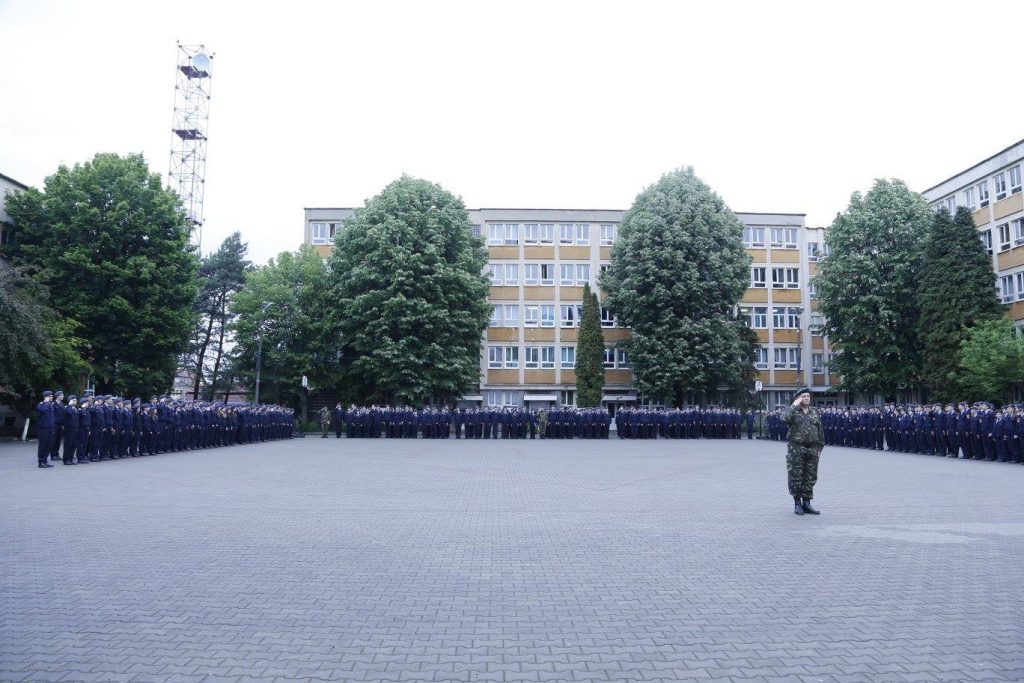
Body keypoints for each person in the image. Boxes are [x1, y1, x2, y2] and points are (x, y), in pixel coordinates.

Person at [782, 387, 824, 516]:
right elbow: (784, 418)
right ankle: (797, 503)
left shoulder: (814, 411)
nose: (806, 398)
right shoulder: (793, 411)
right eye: (804, 396)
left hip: (812, 448)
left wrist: (820, 448)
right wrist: (793, 405)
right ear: (798, 398)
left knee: (810, 476)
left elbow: (820, 431)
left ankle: (807, 503)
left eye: (808, 396)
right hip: (796, 448)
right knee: (796, 476)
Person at [36, 390, 56, 468]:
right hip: (43, 429)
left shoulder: (51, 405)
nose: (52, 397)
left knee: (49, 445)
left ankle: (45, 460)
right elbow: (42, 410)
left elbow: (53, 417)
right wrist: (46, 402)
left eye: (51, 396)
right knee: (43, 445)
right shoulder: (41, 404)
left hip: (50, 428)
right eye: (50, 396)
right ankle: (41, 462)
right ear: (46, 397)